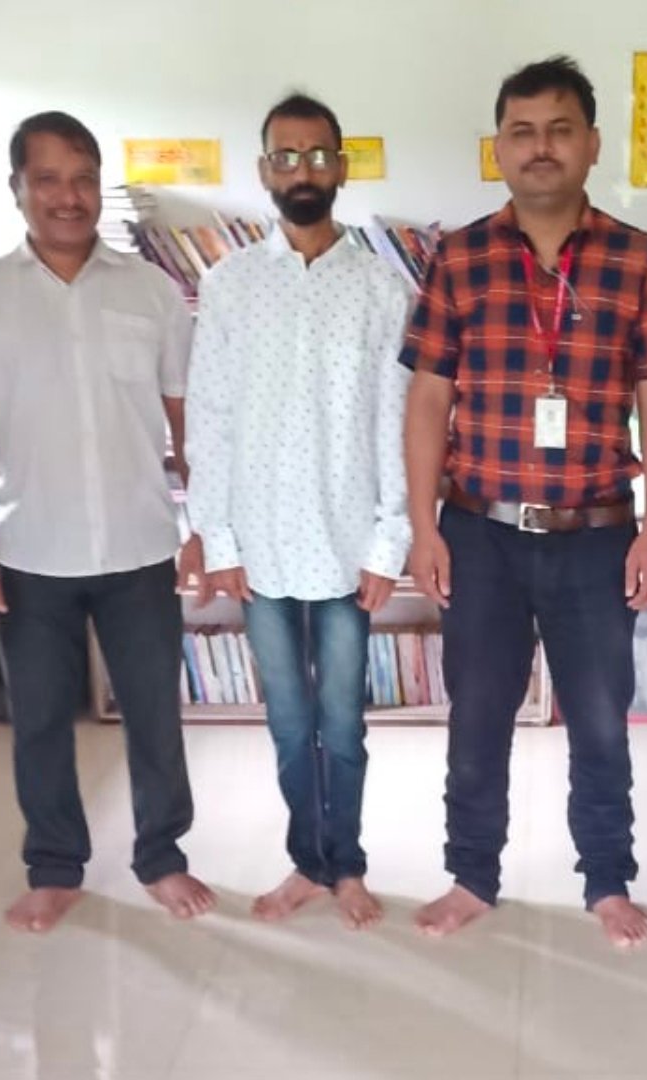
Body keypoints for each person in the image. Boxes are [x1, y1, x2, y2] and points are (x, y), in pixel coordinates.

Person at [402, 56, 647, 947]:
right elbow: (427, 399)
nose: (540, 147)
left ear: (592, 144)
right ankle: (471, 876)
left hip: (595, 533)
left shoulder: (641, 259)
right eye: (522, 131)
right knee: (476, 718)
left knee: (600, 722)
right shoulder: (458, 258)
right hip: (479, 531)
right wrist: (422, 528)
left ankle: (607, 880)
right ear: (498, 148)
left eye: (559, 129)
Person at [0, 111, 216, 932]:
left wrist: (205, 528)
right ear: (17, 188)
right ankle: (55, 867)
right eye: (48, 179)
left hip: (139, 547)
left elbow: (187, 419)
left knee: (155, 716)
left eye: (84, 178)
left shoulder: (152, 292)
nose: (69, 197)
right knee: (42, 722)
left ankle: (162, 857)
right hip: (29, 551)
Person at [182, 94, 411, 930]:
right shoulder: (230, 285)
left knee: (343, 723)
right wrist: (217, 537)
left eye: (318, 155)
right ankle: (306, 862)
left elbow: (396, 420)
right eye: (286, 156)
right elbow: (209, 417)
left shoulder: (384, 288)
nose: (303, 170)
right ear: (264, 171)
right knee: (287, 722)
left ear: (341, 167)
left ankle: (345, 865)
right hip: (261, 545)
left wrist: (390, 541)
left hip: (349, 546)